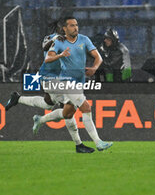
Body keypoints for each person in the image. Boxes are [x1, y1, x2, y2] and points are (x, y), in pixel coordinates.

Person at [6, 18, 95, 153]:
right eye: (66, 26)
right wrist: (55, 40)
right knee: (69, 109)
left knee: (48, 103)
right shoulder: (51, 38)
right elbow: (45, 46)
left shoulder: (72, 41)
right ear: (62, 27)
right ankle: (78, 144)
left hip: (60, 78)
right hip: (50, 78)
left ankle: (18, 99)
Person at [44, 16, 113, 151]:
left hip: (79, 82)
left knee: (68, 113)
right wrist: (60, 55)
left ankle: (39, 120)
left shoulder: (84, 39)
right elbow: (48, 58)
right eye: (71, 25)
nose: (75, 28)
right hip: (66, 81)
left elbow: (98, 57)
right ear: (64, 28)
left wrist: (94, 68)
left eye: (76, 25)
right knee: (86, 108)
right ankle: (98, 142)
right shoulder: (59, 42)